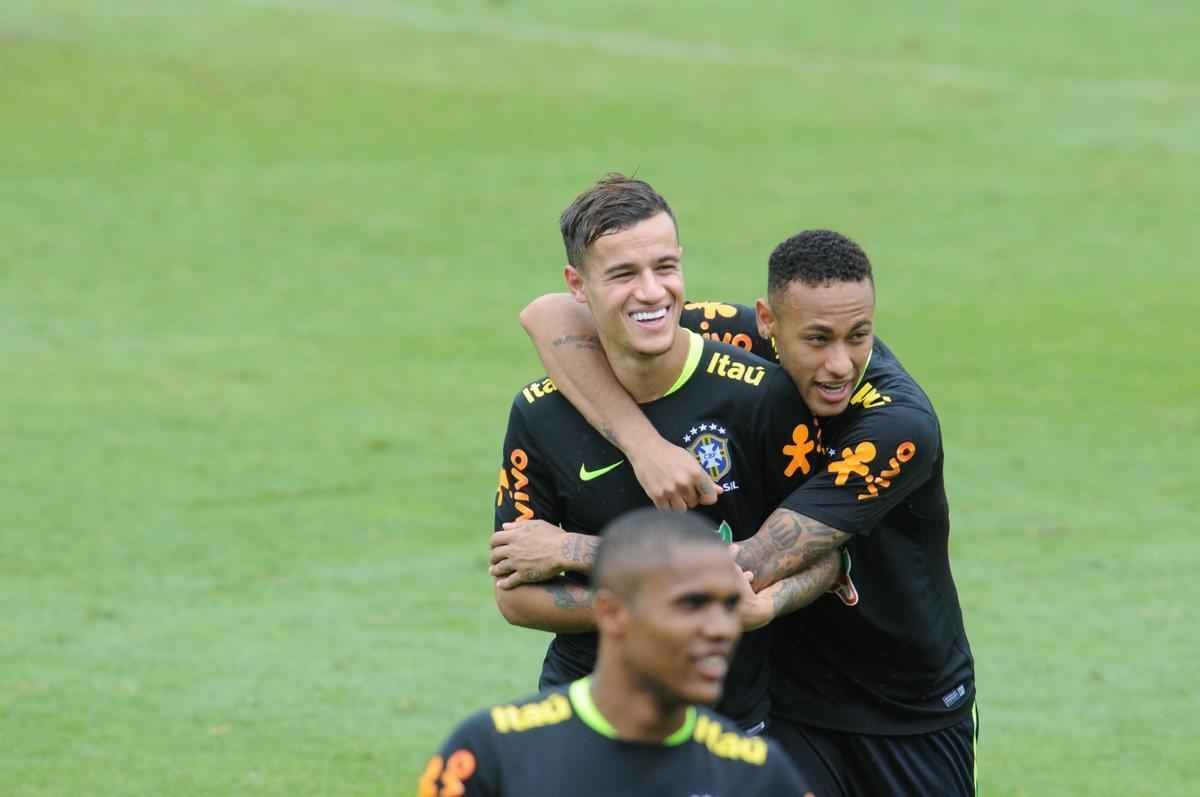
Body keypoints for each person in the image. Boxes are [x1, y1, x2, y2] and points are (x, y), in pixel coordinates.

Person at [518, 229, 977, 796]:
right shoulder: (748, 336)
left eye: (859, 336)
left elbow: (748, 566)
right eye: (817, 339)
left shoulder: (895, 426)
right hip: (787, 701)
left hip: (903, 706)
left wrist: (572, 548)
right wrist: (644, 446)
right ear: (768, 323)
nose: (839, 365)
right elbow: (551, 314)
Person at [490, 174, 840, 734]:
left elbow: (827, 555)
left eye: (665, 267)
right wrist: (684, 602)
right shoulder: (539, 414)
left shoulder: (761, 396)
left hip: (724, 727)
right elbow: (516, 598)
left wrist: (579, 553)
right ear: (578, 285)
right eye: (623, 274)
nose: (652, 292)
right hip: (581, 724)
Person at [422, 509, 815, 796]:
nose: (721, 630)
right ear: (612, 613)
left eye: (729, 606)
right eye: (690, 605)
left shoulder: (757, 776)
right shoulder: (491, 755)